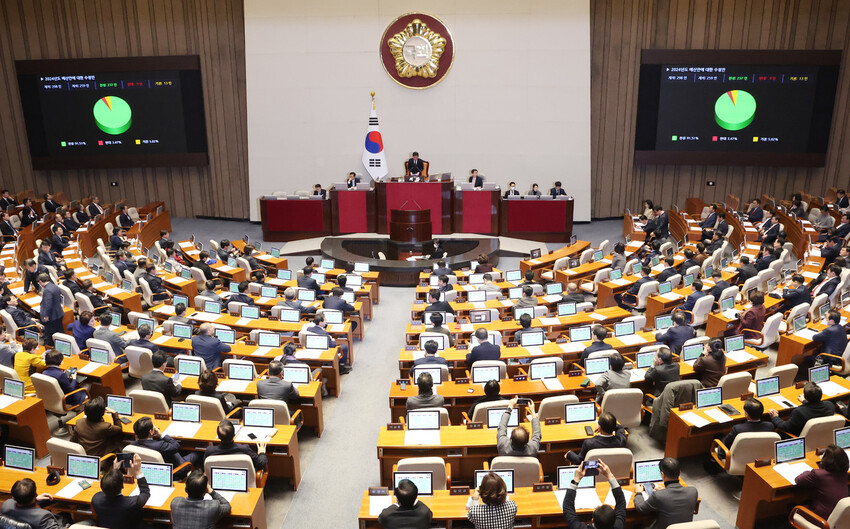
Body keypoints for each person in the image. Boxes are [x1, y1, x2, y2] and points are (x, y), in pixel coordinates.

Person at [633, 457, 699, 529]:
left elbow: (640, 508)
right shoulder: (693, 491)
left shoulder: (658, 495)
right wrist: (665, 490)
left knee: (638, 526)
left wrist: (638, 492)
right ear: (679, 473)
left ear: (662, 474)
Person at [563, 459, 626, 529]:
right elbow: (621, 502)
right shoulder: (618, 526)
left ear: (592, 520)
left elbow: (567, 507)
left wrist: (576, 479)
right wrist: (609, 475)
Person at [92, 454, 149, 529]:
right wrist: (138, 471)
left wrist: (115, 471)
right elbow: (145, 493)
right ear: (122, 486)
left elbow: (108, 485)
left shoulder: (96, 499)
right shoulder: (132, 503)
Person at [794, 445, 850, 519]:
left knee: (792, 507)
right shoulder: (844, 473)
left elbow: (798, 480)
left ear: (826, 459)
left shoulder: (818, 474)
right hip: (841, 516)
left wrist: (810, 470)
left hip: (822, 518)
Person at [768, 382, 836, 436]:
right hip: (822, 435)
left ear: (805, 396)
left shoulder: (799, 412)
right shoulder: (830, 405)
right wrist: (805, 401)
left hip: (803, 438)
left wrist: (775, 417)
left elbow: (785, 427)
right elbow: (815, 406)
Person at [203, 420, 268, 471]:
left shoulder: (209, 451)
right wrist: (261, 453)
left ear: (218, 437)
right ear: (234, 435)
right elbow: (261, 463)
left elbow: (205, 466)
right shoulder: (244, 449)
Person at [38, 274, 63, 346]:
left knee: (48, 335)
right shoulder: (54, 286)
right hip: (58, 313)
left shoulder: (47, 290)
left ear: (40, 281)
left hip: (52, 316)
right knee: (59, 332)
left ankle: (47, 348)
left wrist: (46, 315)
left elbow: (48, 304)